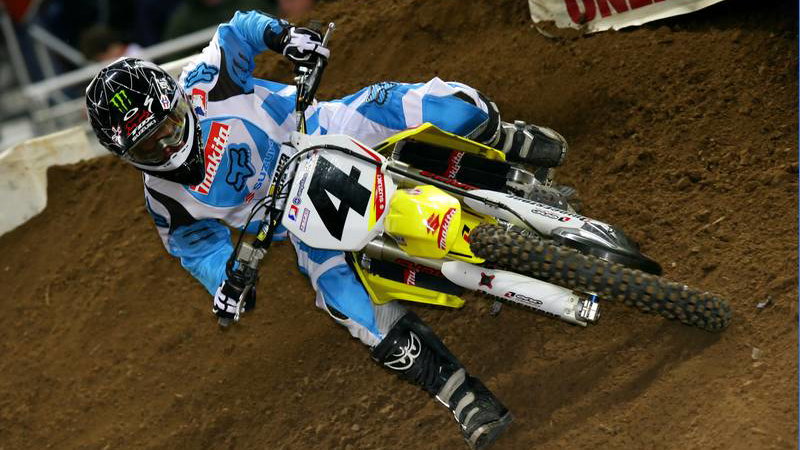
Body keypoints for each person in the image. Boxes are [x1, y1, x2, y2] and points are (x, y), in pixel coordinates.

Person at [84, 10, 567, 449]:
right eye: (148, 147)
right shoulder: (165, 199)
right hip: (298, 220)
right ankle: (463, 396)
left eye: (168, 126)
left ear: (176, 100)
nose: (168, 147)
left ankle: (503, 138)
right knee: (343, 300)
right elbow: (198, 251)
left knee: (448, 108)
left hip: (323, 130)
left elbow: (237, 30)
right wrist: (227, 283)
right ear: (126, 156)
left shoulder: (206, 83)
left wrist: (283, 36)